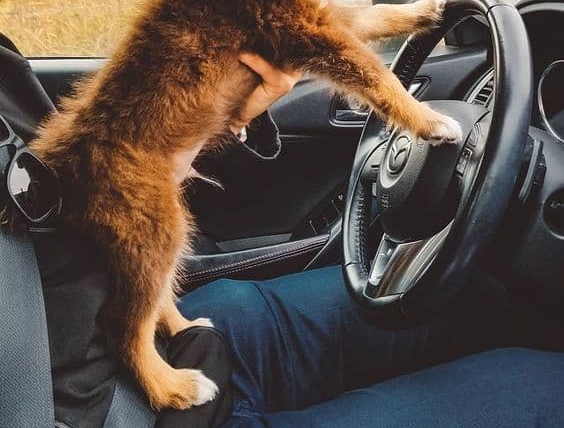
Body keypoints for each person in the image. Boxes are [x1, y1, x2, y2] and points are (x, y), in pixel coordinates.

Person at [34, 54, 564, 428]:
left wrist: (193, 136)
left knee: (474, 305)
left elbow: (59, 187)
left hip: (122, 331)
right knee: (547, 387)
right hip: (97, 402)